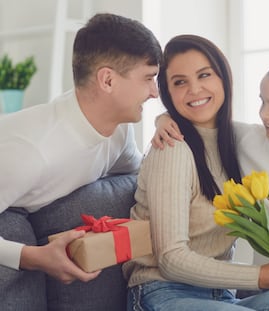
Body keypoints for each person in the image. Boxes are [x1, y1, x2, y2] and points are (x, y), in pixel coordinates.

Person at [123, 35, 269, 311]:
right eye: (179, 82)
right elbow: (170, 259)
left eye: (204, 75)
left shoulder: (238, 142)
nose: (195, 89)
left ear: (223, 78)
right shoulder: (173, 148)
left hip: (220, 296)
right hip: (163, 292)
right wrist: (263, 276)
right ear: (167, 92)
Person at [0, 13, 164, 311]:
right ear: (108, 80)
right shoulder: (31, 154)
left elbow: (142, 174)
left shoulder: (119, 130)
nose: (155, 92)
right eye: (148, 78)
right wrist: (32, 256)